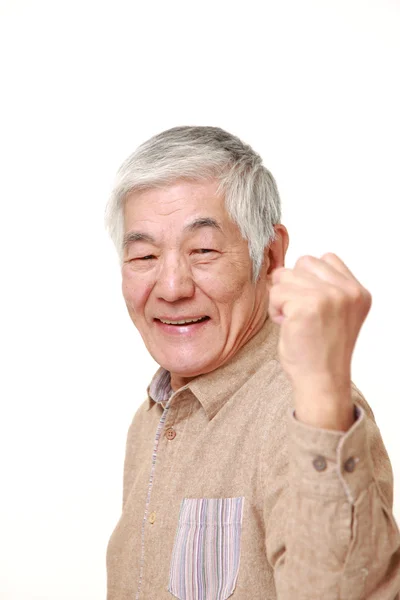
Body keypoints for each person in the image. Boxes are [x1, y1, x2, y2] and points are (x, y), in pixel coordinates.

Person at [104, 126, 400, 600]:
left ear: (271, 255)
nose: (172, 287)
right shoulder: (152, 418)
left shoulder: (307, 413)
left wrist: (324, 388)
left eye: (202, 250)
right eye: (143, 255)